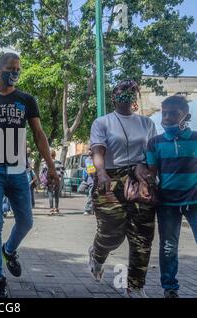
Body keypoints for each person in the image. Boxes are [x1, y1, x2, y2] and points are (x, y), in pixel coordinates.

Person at [0, 52, 59, 298]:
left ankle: (9, 249)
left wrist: (52, 166)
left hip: (18, 169)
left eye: (18, 69)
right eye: (10, 68)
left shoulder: (26, 99)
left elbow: (39, 134)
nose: (14, 72)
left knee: (26, 221)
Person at [88, 79, 157, 298]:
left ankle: (135, 287)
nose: (125, 95)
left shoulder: (147, 123)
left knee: (142, 237)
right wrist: (100, 172)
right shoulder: (103, 122)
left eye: (130, 92)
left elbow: (152, 153)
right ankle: (97, 256)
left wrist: (145, 169)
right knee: (111, 234)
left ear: (135, 98)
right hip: (109, 178)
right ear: (113, 97)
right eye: (121, 92)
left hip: (139, 179)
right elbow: (98, 149)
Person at [146, 95, 197, 298]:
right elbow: (152, 173)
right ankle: (170, 288)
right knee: (168, 247)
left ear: (187, 115)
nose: (166, 118)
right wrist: (147, 184)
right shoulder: (154, 143)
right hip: (167, 204)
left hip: (195, 202)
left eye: (173, 113)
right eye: (163, 113)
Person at [46, 150, 65, 215]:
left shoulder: (47, 162)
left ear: (49, 155)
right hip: (57, 180)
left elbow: (43, 171)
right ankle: (56, 209)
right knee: (56, 195)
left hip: (50, 181)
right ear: (55, 155)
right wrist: (59, 177)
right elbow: (62, 170)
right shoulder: (59, 162)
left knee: (50, 194)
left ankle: (51, 209)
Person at [83, 149, 96, 216]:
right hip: (92, 180)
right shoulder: (88, 160)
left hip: (95, 180)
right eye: (89, 150)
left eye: (91, 150)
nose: (90, 151)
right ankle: (87, 210)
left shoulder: (96, 158)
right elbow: (91, 171)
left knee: (94, 195)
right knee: (91, 195)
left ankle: (93, 209)